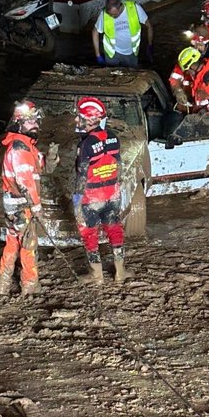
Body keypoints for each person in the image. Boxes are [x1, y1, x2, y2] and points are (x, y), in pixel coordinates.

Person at [0, 100, 57, 296]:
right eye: (30, 121)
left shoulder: (28, 146)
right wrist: (37, 207)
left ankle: (2, 283)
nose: (35, 124)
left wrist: (52, 159)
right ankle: (29, 286)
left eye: (36, 120)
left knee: (13, 242)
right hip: (22, 206)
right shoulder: (20, 148)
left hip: (14, 205)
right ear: (19, 124)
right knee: (29, 245)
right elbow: (26, 183)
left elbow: (40, 169)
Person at [73, 96, 127, 285]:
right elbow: (119, 165)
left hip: (92, 196)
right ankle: (120, 272)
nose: (76, 121)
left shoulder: (86, 144)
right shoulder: (113, 136)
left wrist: (77, 202)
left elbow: (82, 174)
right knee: (115, 229)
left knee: (89, 234)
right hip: (112, 193)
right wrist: (118, 189)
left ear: (88, 119)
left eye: (79, 117)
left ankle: (97, 276)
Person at [92, 0, 153, 69]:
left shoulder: (134, 8)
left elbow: (149, 25)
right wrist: (98, 55)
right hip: (112, 54)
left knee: (132, 74)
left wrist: (150, 44)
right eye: (110, 14)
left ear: (120, 7)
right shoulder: (104, 14)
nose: (111, 16)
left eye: (114, 14)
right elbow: (95, 32)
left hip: (131, 52)